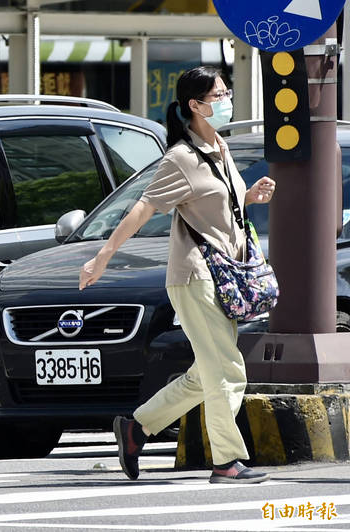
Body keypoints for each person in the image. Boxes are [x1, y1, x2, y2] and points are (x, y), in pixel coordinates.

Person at [78, 66, 276, 484]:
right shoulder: (181, 158)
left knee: (205, 373)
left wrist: (249, 195)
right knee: (227, 368)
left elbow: (217, 201)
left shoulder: (219, 147)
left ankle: (136, 427)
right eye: (219, 95)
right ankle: (226, 460)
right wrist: (103, 256)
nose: (226, 101)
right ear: (195, 105)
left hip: (224, 273)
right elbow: (142, 208)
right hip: (196, 276)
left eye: (226, 93)